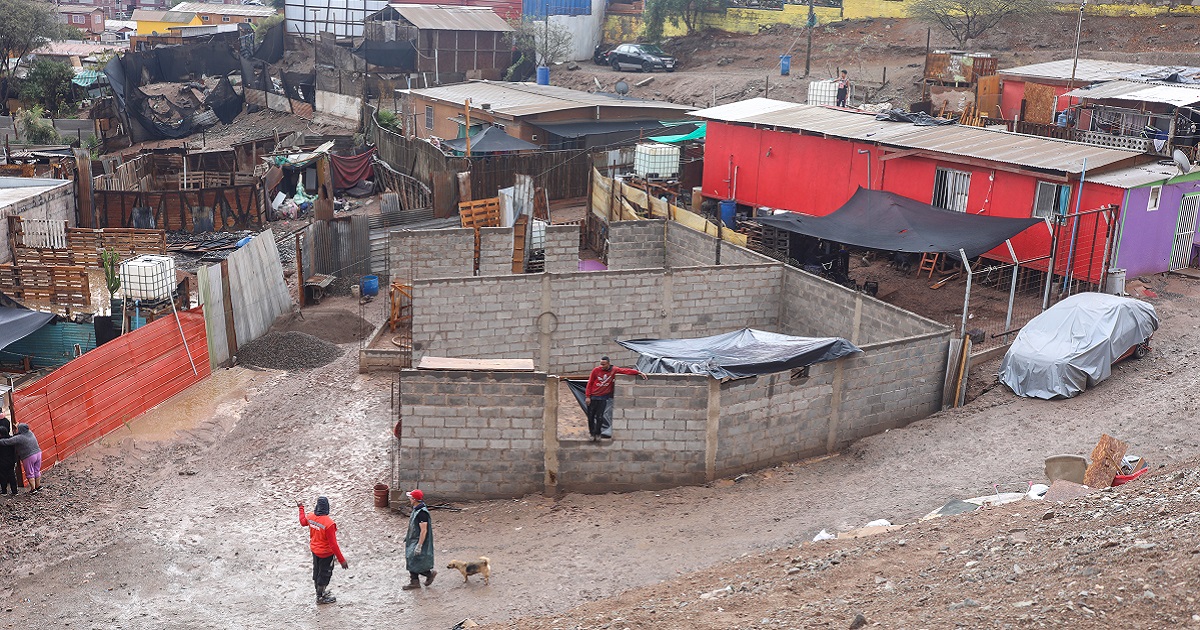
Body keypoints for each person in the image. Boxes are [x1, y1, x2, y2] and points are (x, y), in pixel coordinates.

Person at [298, 496, 349, 605]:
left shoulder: (311, 516)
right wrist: (342, 560)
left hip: (314, 550)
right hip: (326, 554)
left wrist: (301, 508)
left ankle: (319, 592)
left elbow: (302, 522)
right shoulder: (329, 523)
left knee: (317, 571)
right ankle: (320, 597)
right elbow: (333, 545)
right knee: (325, 574)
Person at [584, 356, 647, 441]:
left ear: (608, 364)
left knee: (600, 417)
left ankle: (598, 434)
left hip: (602, 398)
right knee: (591, 417)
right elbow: (590, 383)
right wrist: (588, 396)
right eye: (601, 364)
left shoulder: (614, 370)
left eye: (604, 364)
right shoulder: (596, 370)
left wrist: (638, 372)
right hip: (593, 397)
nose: (602, 366)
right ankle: (592, 434)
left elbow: (625, 371)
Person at [403, 489, 436, 591]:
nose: (409, 499)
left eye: (410, 498)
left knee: (414, 560)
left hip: (418, 539)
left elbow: (423, 530)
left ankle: (428, 574)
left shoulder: (422, 513)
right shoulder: (417, 508)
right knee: (411, 559)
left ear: (414, 499)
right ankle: (415, 581)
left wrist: (419, 545)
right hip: (413, 539)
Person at [0, 423, 41, 493]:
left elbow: (7, 441)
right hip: (38, 453)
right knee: (36, 471)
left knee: (30, 472)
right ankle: (38, 486)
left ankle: (33, 489)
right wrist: (17, 428)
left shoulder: (20, 438)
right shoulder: (30, 433)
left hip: (29, 456)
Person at [0, 421, 17, 496]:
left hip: (2, 462)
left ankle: (4, 491)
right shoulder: (11, 440)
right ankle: (14, 491)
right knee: (12, 476)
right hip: (11, 461)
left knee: (2, 476)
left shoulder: (1, 442)